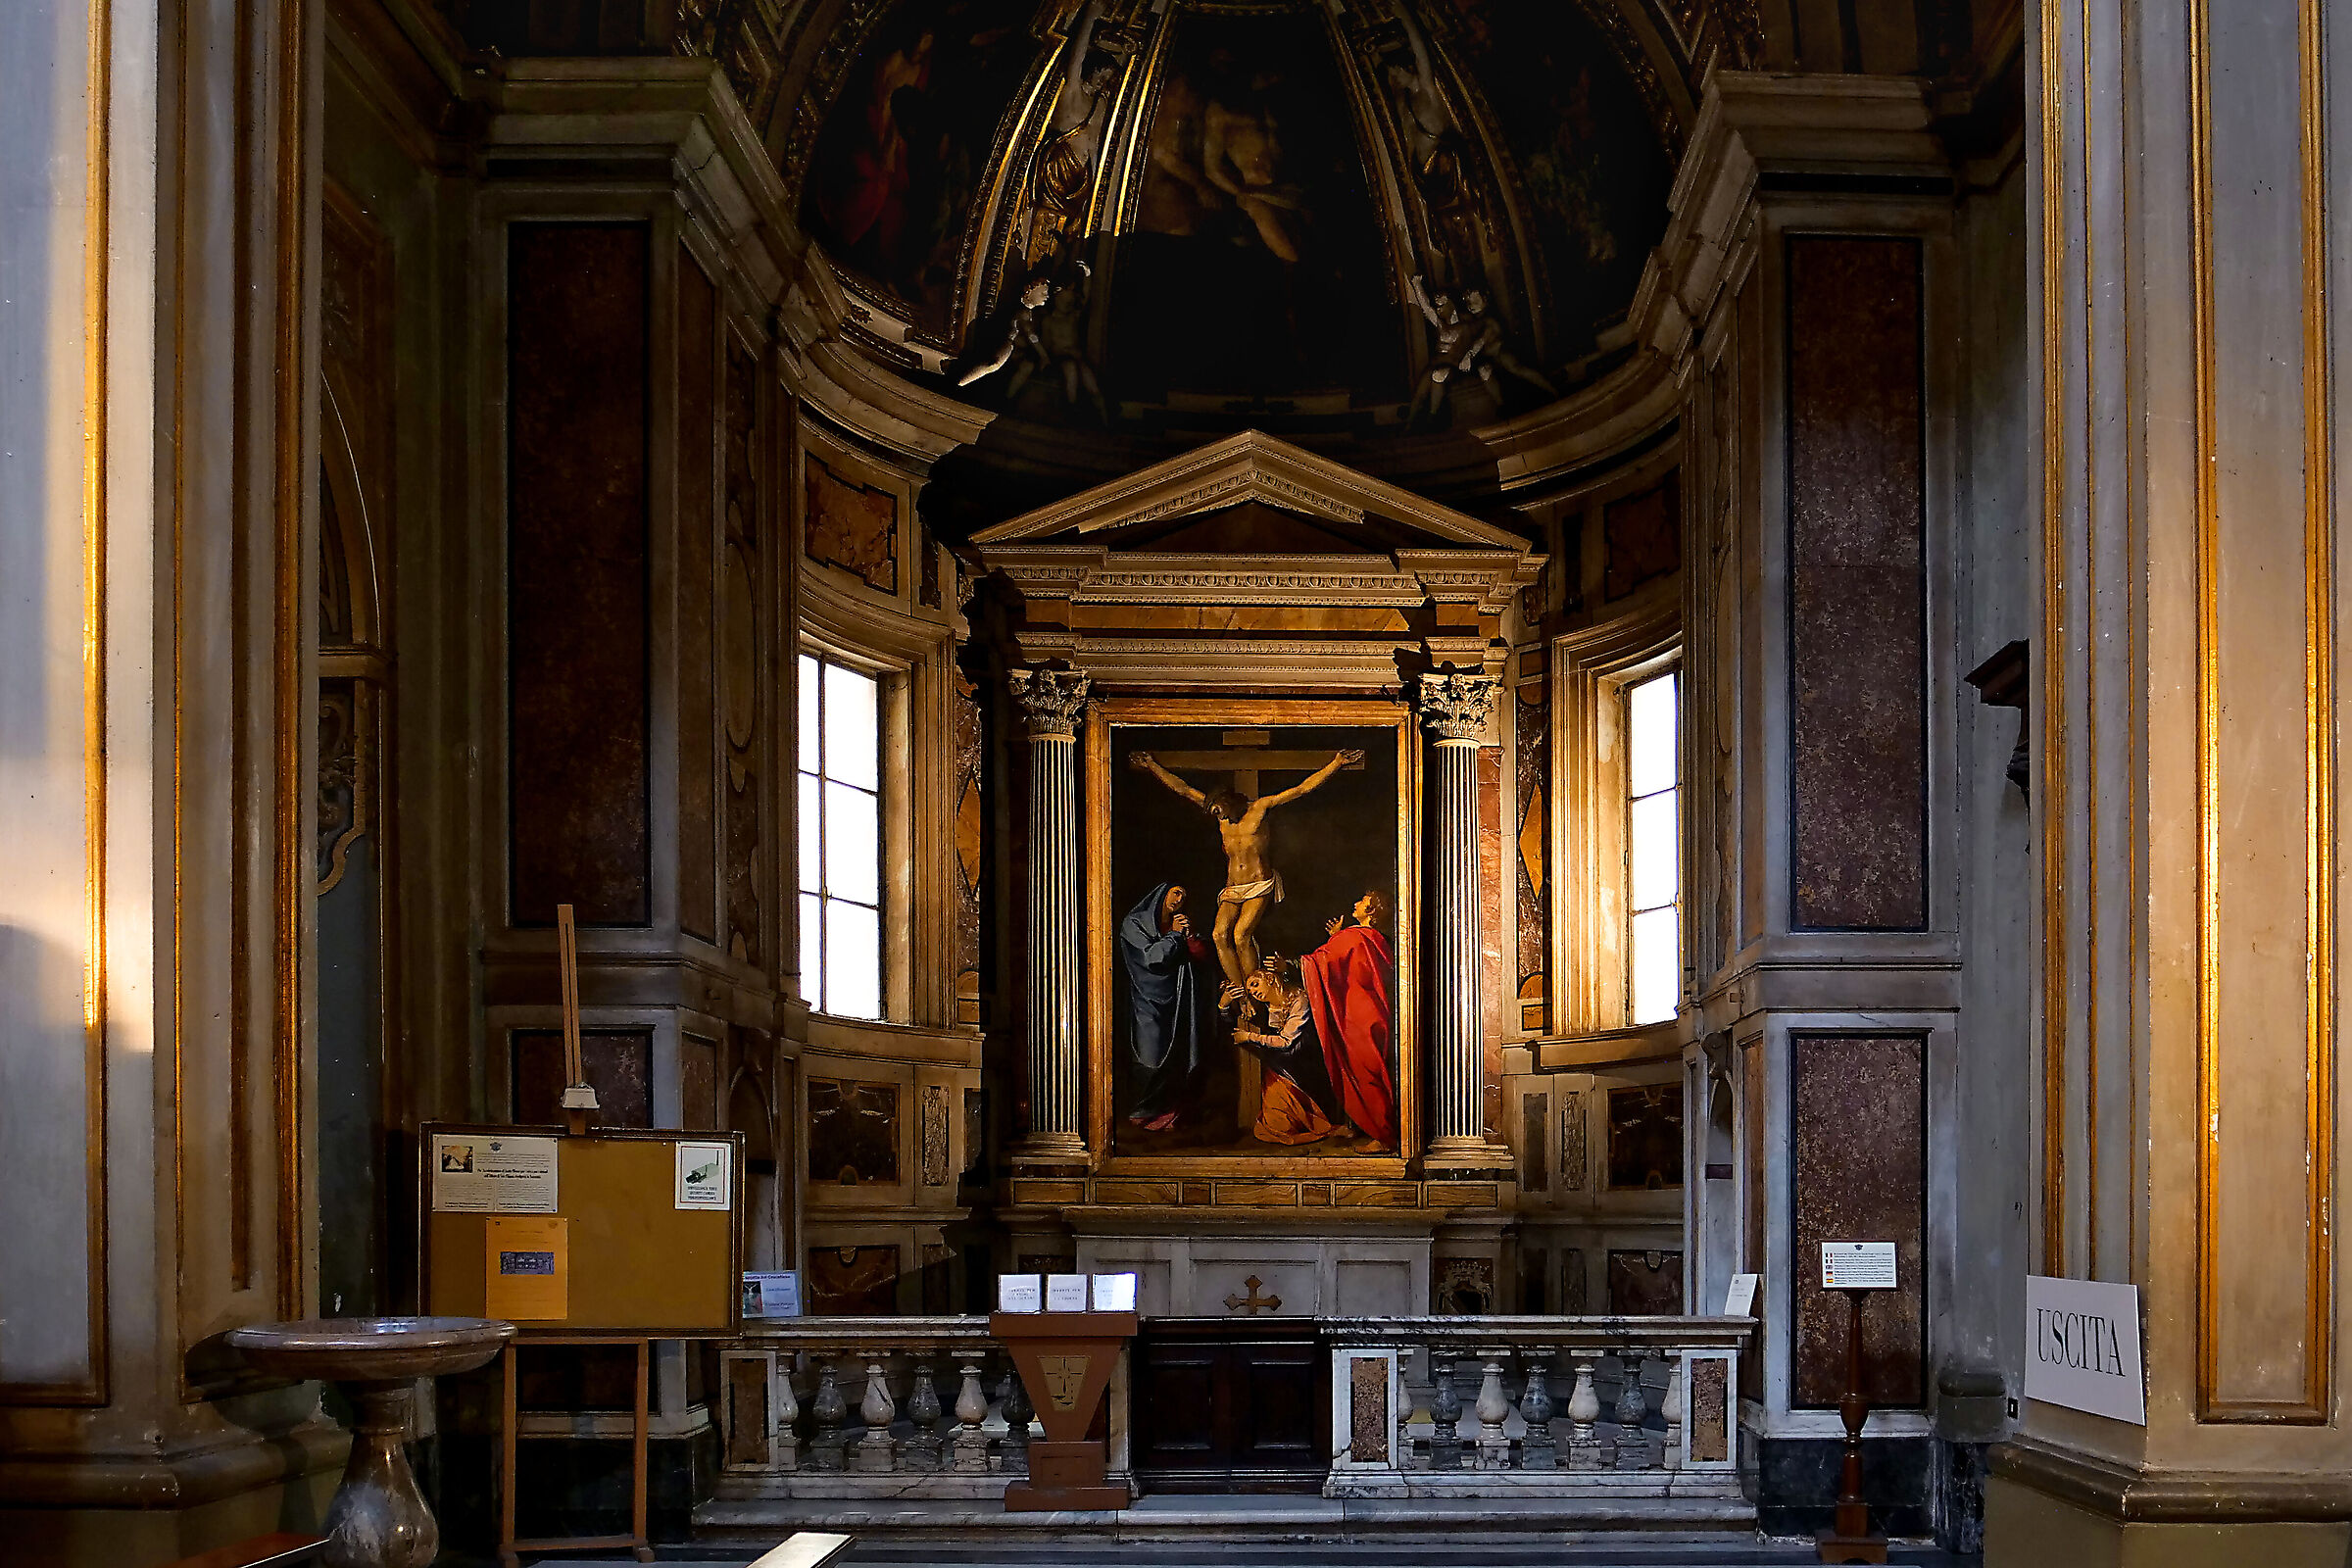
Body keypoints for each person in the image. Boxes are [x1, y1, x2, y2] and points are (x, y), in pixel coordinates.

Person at [1128, 747, 1363, 988]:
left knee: (1241, 936)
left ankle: (1254, 989)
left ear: (1226, 801)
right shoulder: (1222, 820)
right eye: (1213, 812)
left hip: (1259, 884)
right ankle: (1239, 990)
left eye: (1218, 809)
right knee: (1219, 935)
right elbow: (1184, 789)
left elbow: (1301, 789)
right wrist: (1152, 765)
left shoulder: (1259, 809)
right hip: (1233, 888)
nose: (1218, 816)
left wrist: (1336, 763)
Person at [1300, 889, 1399, 1149]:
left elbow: (1322, 963)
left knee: (1366, 1072)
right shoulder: (1377, 939)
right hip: (1373, 1010)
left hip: (1356, 1013)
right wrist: (1336, 939)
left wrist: (1288, 966)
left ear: (1371, 911)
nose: (1356, 903)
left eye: (1362, 901)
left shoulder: (1355, 936)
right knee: (1371, 1070)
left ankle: (1384, 1136)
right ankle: (1370, 1126)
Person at [1118, 882, 1213, 1131]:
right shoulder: (1135, 923)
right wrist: (1173, 935)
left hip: (1178, 1002)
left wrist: (1189, 938)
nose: (1180, 899)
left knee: (1178, 1057)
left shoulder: (1179, 923)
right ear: (1161, 893)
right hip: (1147, 1000)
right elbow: (1152, 959)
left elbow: (1200, 958)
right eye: (1177, 892)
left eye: (1185, 896)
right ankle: (1141, 1111)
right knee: (1149, 1056)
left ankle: (1167, 1113)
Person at [1224, 960, 1344, 1146]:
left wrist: (1249, 1036)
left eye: (1256, 984)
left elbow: (1286, 1041)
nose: (1254, 992)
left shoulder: (1299, 999)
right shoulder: (1263, 1008)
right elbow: (1233, 1023)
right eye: (1251, 990)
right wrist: (1223, 1006)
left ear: (1270, 978)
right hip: (1278, 1069)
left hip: (1303, 1066)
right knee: (1276, 1127)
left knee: (1308, 1119)